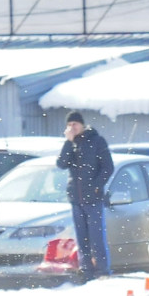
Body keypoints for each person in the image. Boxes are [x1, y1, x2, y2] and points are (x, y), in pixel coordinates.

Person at [56, 110, 114, 280]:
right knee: (82, 239)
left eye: (75, 124)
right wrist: (69, 143)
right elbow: (61, 163)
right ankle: (86, 270)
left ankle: (102, 271)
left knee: (97, 238)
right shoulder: (72, 143)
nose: (72, 128)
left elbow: (108, 167)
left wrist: (96, 186)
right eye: (69, 125)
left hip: (93, 199)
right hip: (76, 198)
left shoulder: (96, 141)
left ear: (82, 125)